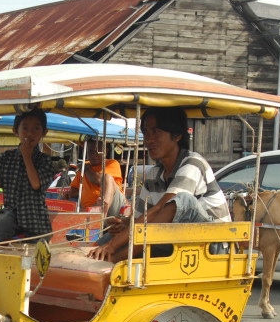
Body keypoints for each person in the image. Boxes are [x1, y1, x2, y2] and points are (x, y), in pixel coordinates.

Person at [89, 107, 228, 262]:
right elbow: (140, 219)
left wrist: (113, 246)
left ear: (176, 136)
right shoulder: (154, 174)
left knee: (183, 200)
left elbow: (159, 209)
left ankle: (114, 260)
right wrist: (124, 224)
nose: (149, 140)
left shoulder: (193, 163)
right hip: (178, 240)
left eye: (156, 132)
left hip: (214, 245)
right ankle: (89, 256)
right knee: (117, 234)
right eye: (146, 133)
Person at [0, 108, 56, 242]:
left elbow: (36, 184)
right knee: (1, 226)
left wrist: (26, 156)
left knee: (38, 251)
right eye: (25, 128)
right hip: (9, 218)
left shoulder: (45, 160)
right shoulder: (6, 157)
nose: (30, 133)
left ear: (44, 132)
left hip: (36, 219)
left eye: (36, 128)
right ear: (15, 131)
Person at [67, 138, 125, 216]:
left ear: (106, 151)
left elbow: (98, 180)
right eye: (90, 151)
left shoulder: (112, 163)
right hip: (90, 208)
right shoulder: (84, 166)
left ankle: (104, 206)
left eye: (98, 151)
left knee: (107, 177)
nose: (94, 155)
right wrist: (71, 193)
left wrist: (87, 169)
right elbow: (74, 190)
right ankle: (96, 212)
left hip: (113, 206)